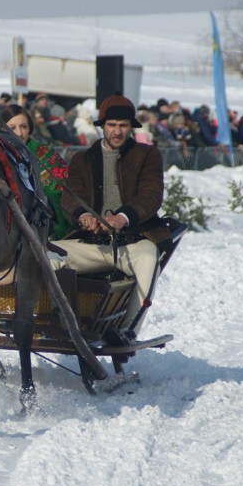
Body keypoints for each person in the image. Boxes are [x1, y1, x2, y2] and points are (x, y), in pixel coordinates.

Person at [50, 94, 166, 340]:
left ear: (131, 127)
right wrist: (83, 217)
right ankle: (56, 319)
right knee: (46, 255)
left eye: (123, 126)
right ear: (102, 126)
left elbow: (151, 195)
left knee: (148, 258)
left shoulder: (147, 155)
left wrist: (122, 218)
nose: (117, 131)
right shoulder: (82, 159)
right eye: (112, 125)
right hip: (92, 244)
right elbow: (71, 198)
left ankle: (126, 331)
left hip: (132, 242)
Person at [0, 103, 72, 240]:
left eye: (24, 127)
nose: (19, 133)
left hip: (46, 224)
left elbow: (62, 190)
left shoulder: (45, 154)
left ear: (30, 129)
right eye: (12, 128)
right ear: (2, 129)